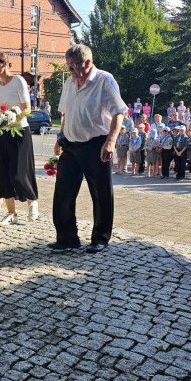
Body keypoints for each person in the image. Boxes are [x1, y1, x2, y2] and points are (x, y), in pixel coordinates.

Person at [49, 43, 126, 253]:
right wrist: (60, 137)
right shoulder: (70, 83)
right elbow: (66, 113)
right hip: (71, 145)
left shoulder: (104, 80)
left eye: (74, 66)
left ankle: (100, 238)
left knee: (100, 193)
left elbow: (119, 113)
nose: (71, 71)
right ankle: (67, 239)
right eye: (68, 66)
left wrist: (110, 141)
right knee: (63, 192)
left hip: (96, 145)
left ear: (88, 63)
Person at [0, 52, 38, 225]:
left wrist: (10, 118)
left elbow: (27, 109)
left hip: (19, 131)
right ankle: (12, 213)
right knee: (4, 172)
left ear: (5, 64)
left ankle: (32, 202)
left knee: (20, 170)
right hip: (3, 133)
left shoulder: (18, 81)